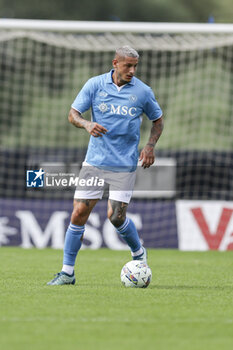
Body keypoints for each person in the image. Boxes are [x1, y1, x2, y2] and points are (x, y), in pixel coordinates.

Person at [47, 46, 163, 285]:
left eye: (135, 66)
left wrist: (150, 146)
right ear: (115, 63)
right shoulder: (95, 85)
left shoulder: (142, 92)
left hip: (124, 165)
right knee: (79, 213)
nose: (132, 70)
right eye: (127, 65)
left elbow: (158, 121)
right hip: (95, 162)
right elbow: (72, 114)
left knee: (116, 217)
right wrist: (87, 125)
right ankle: (67, 272)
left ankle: (138, 253)